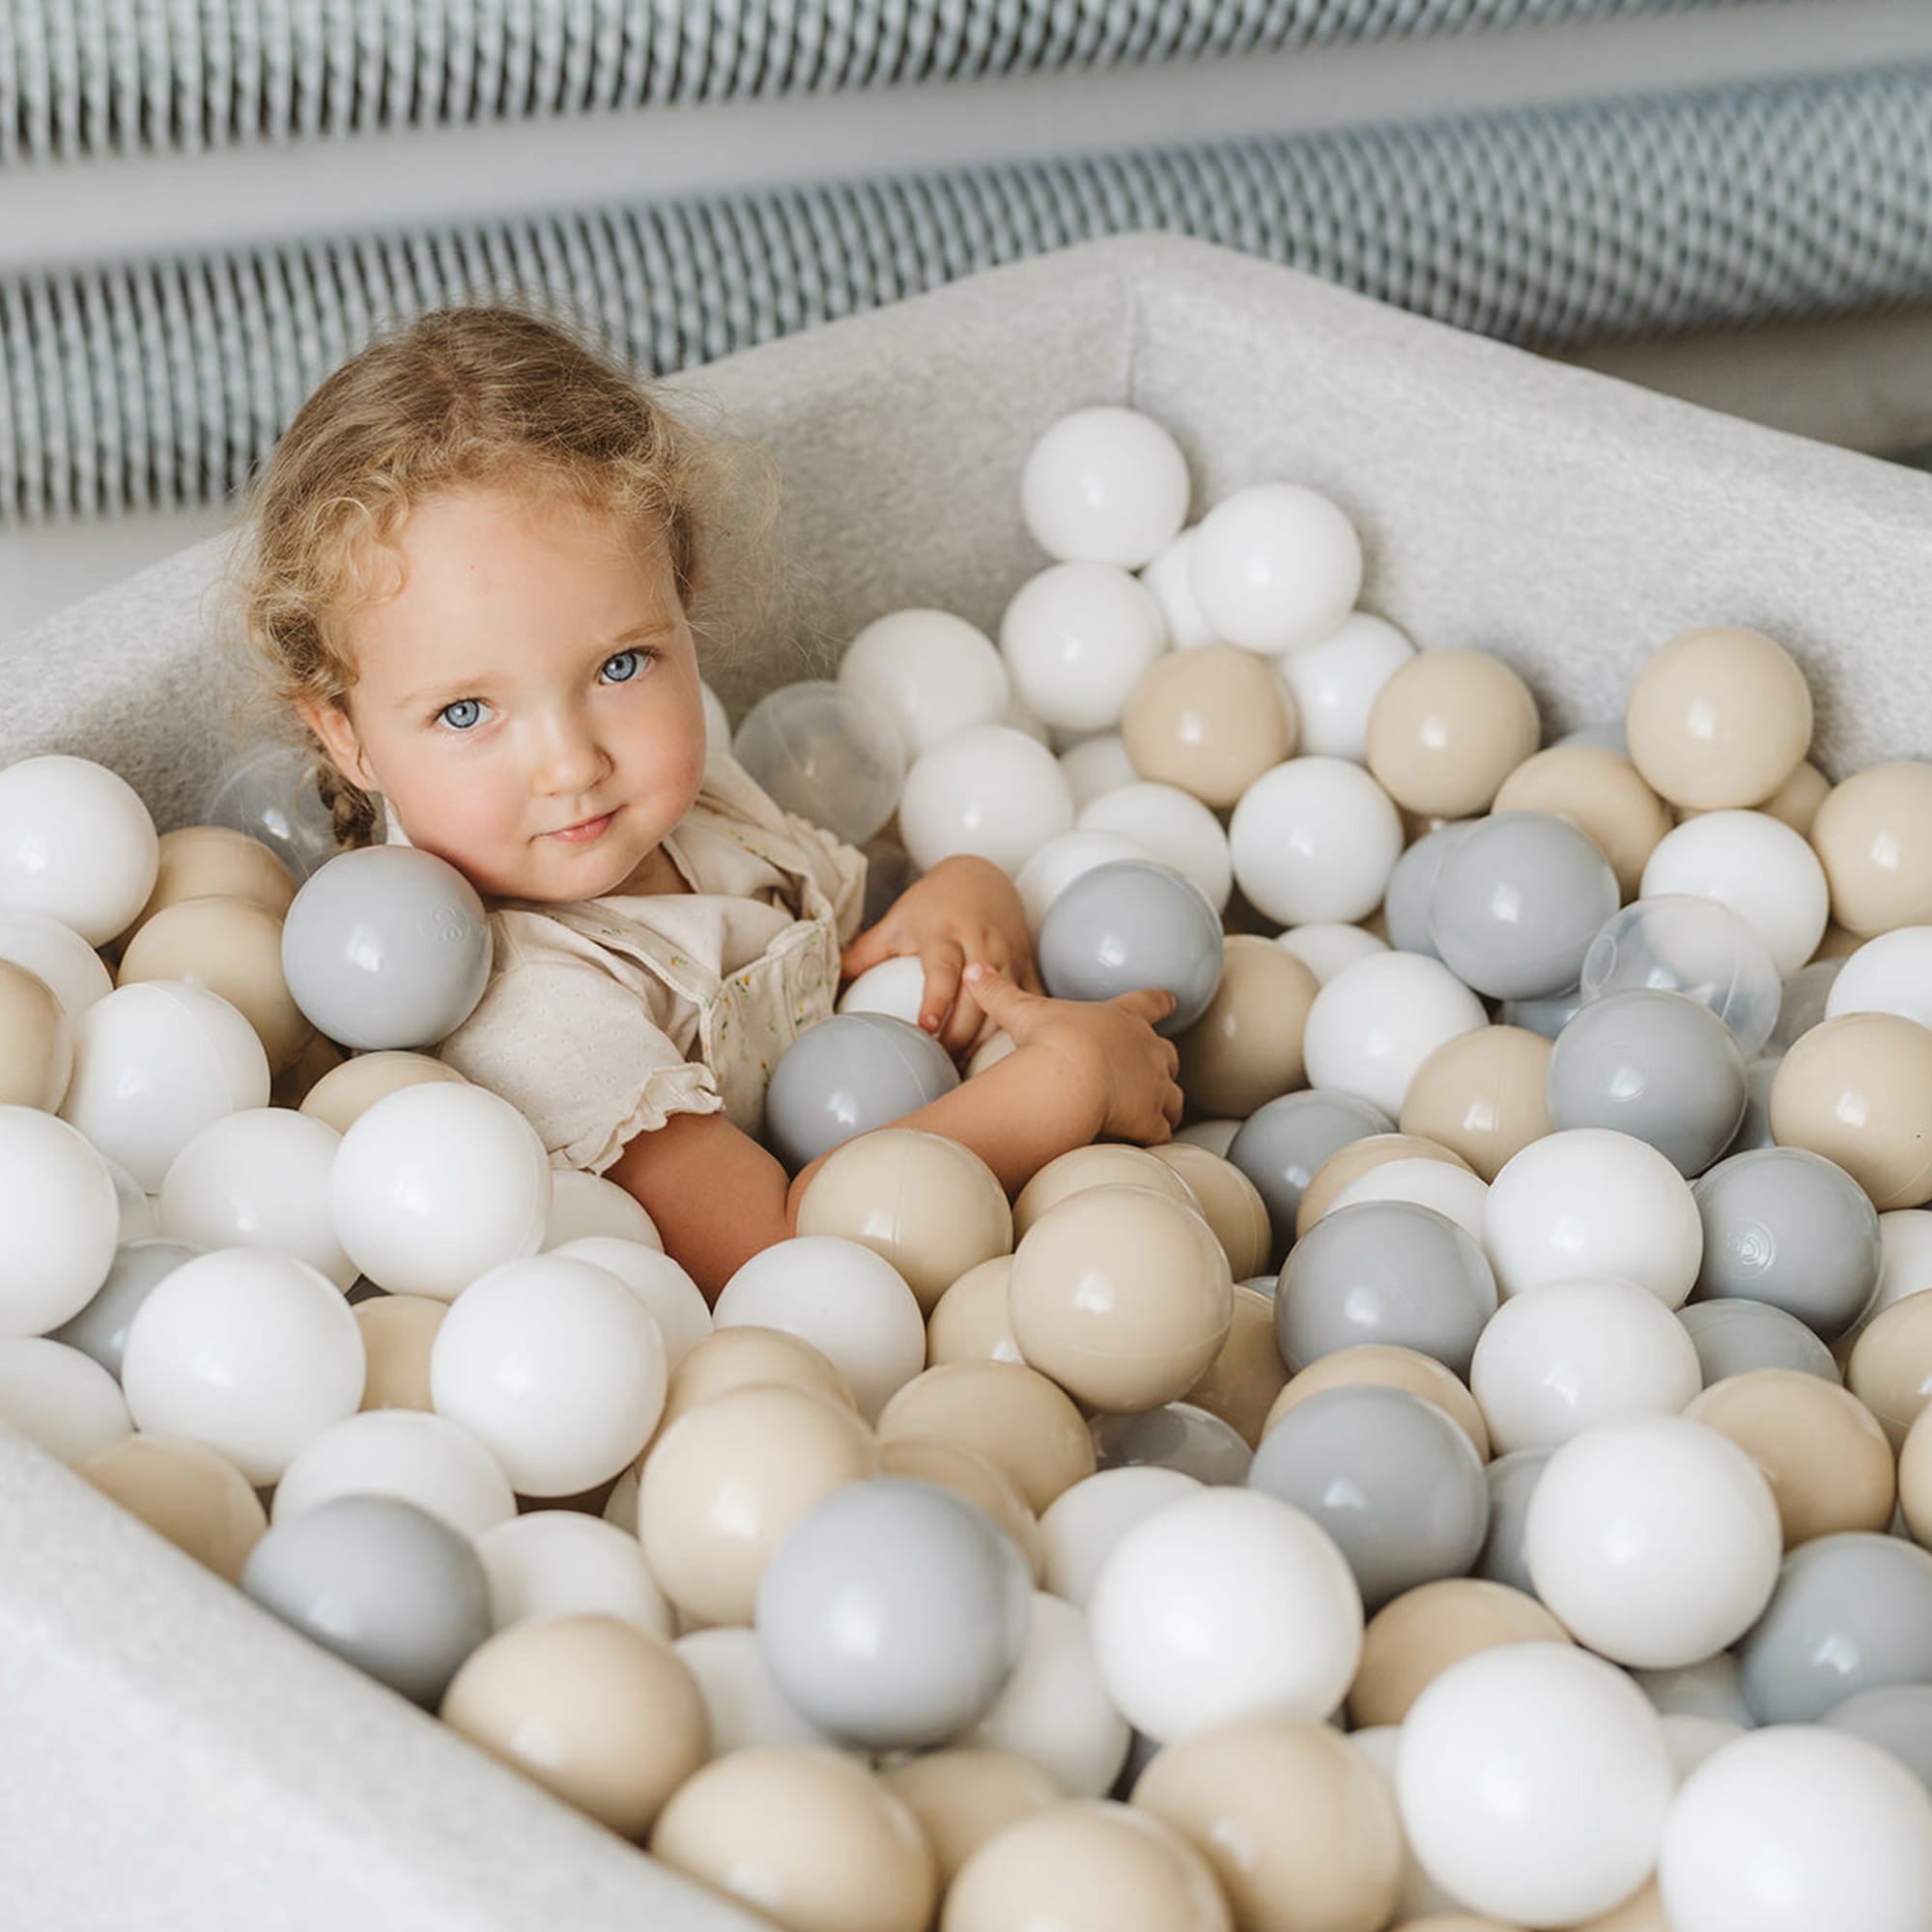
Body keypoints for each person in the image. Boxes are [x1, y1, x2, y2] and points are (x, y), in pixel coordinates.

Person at [236, 305, 1181, 1296]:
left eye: (619, 663)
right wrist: (1060, 1090)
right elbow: (770, 1256)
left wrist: (957, 893)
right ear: (345, 733)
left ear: (681, 601)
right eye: (467, 710)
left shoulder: (695, 804)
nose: (569, 764)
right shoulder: (527, 1005)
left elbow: (854, 954)